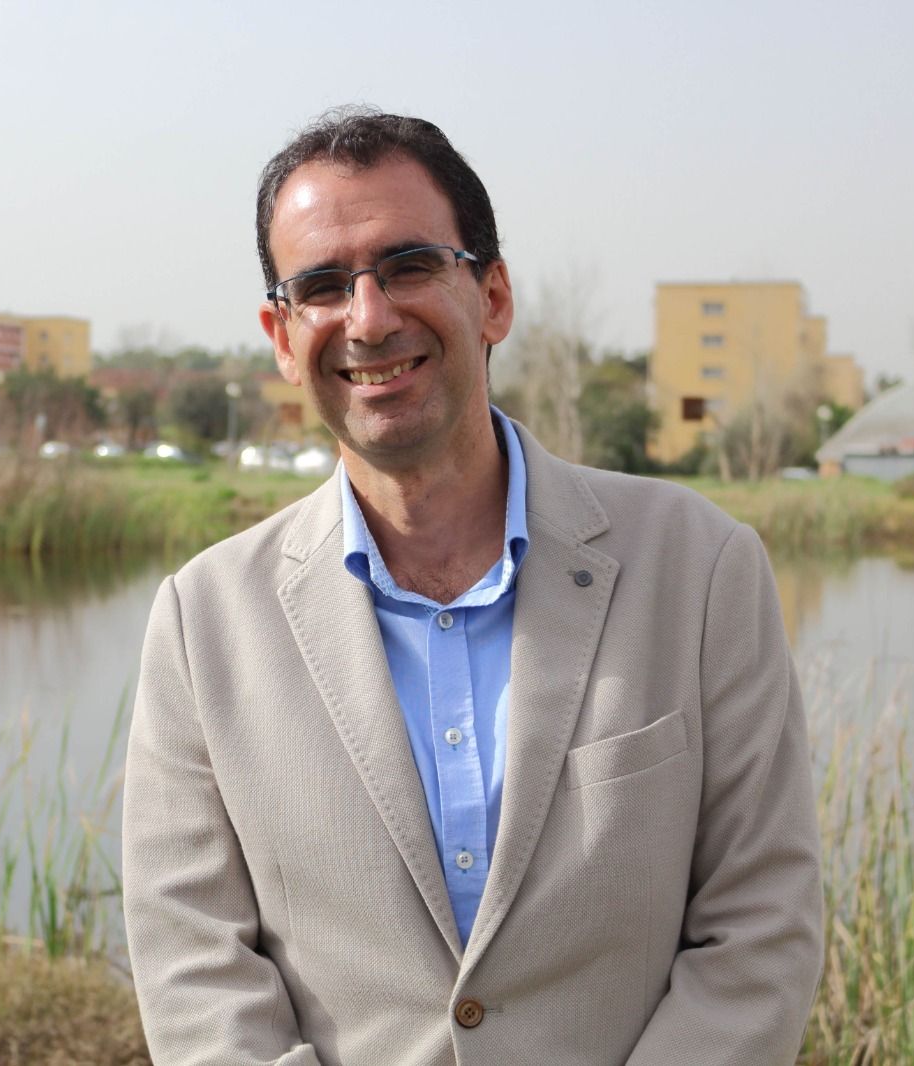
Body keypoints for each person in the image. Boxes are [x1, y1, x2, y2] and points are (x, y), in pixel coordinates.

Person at [121, 108, 823, 1066]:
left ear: (492, 296)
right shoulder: (204, 625)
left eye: (408, 266)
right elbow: (194, 972)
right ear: (282, 337)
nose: (369, 318)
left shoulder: (700, 570)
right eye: (323, 286)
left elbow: (760, 930)